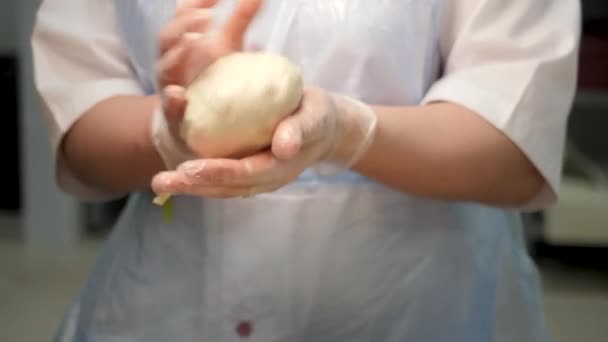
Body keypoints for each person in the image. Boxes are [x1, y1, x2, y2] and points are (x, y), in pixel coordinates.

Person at [32, 0, 581, 341]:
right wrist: (170, 131)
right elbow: (80, 120)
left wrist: (346, 131)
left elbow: (514, 141)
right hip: (169, 305)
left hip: (413, 302)